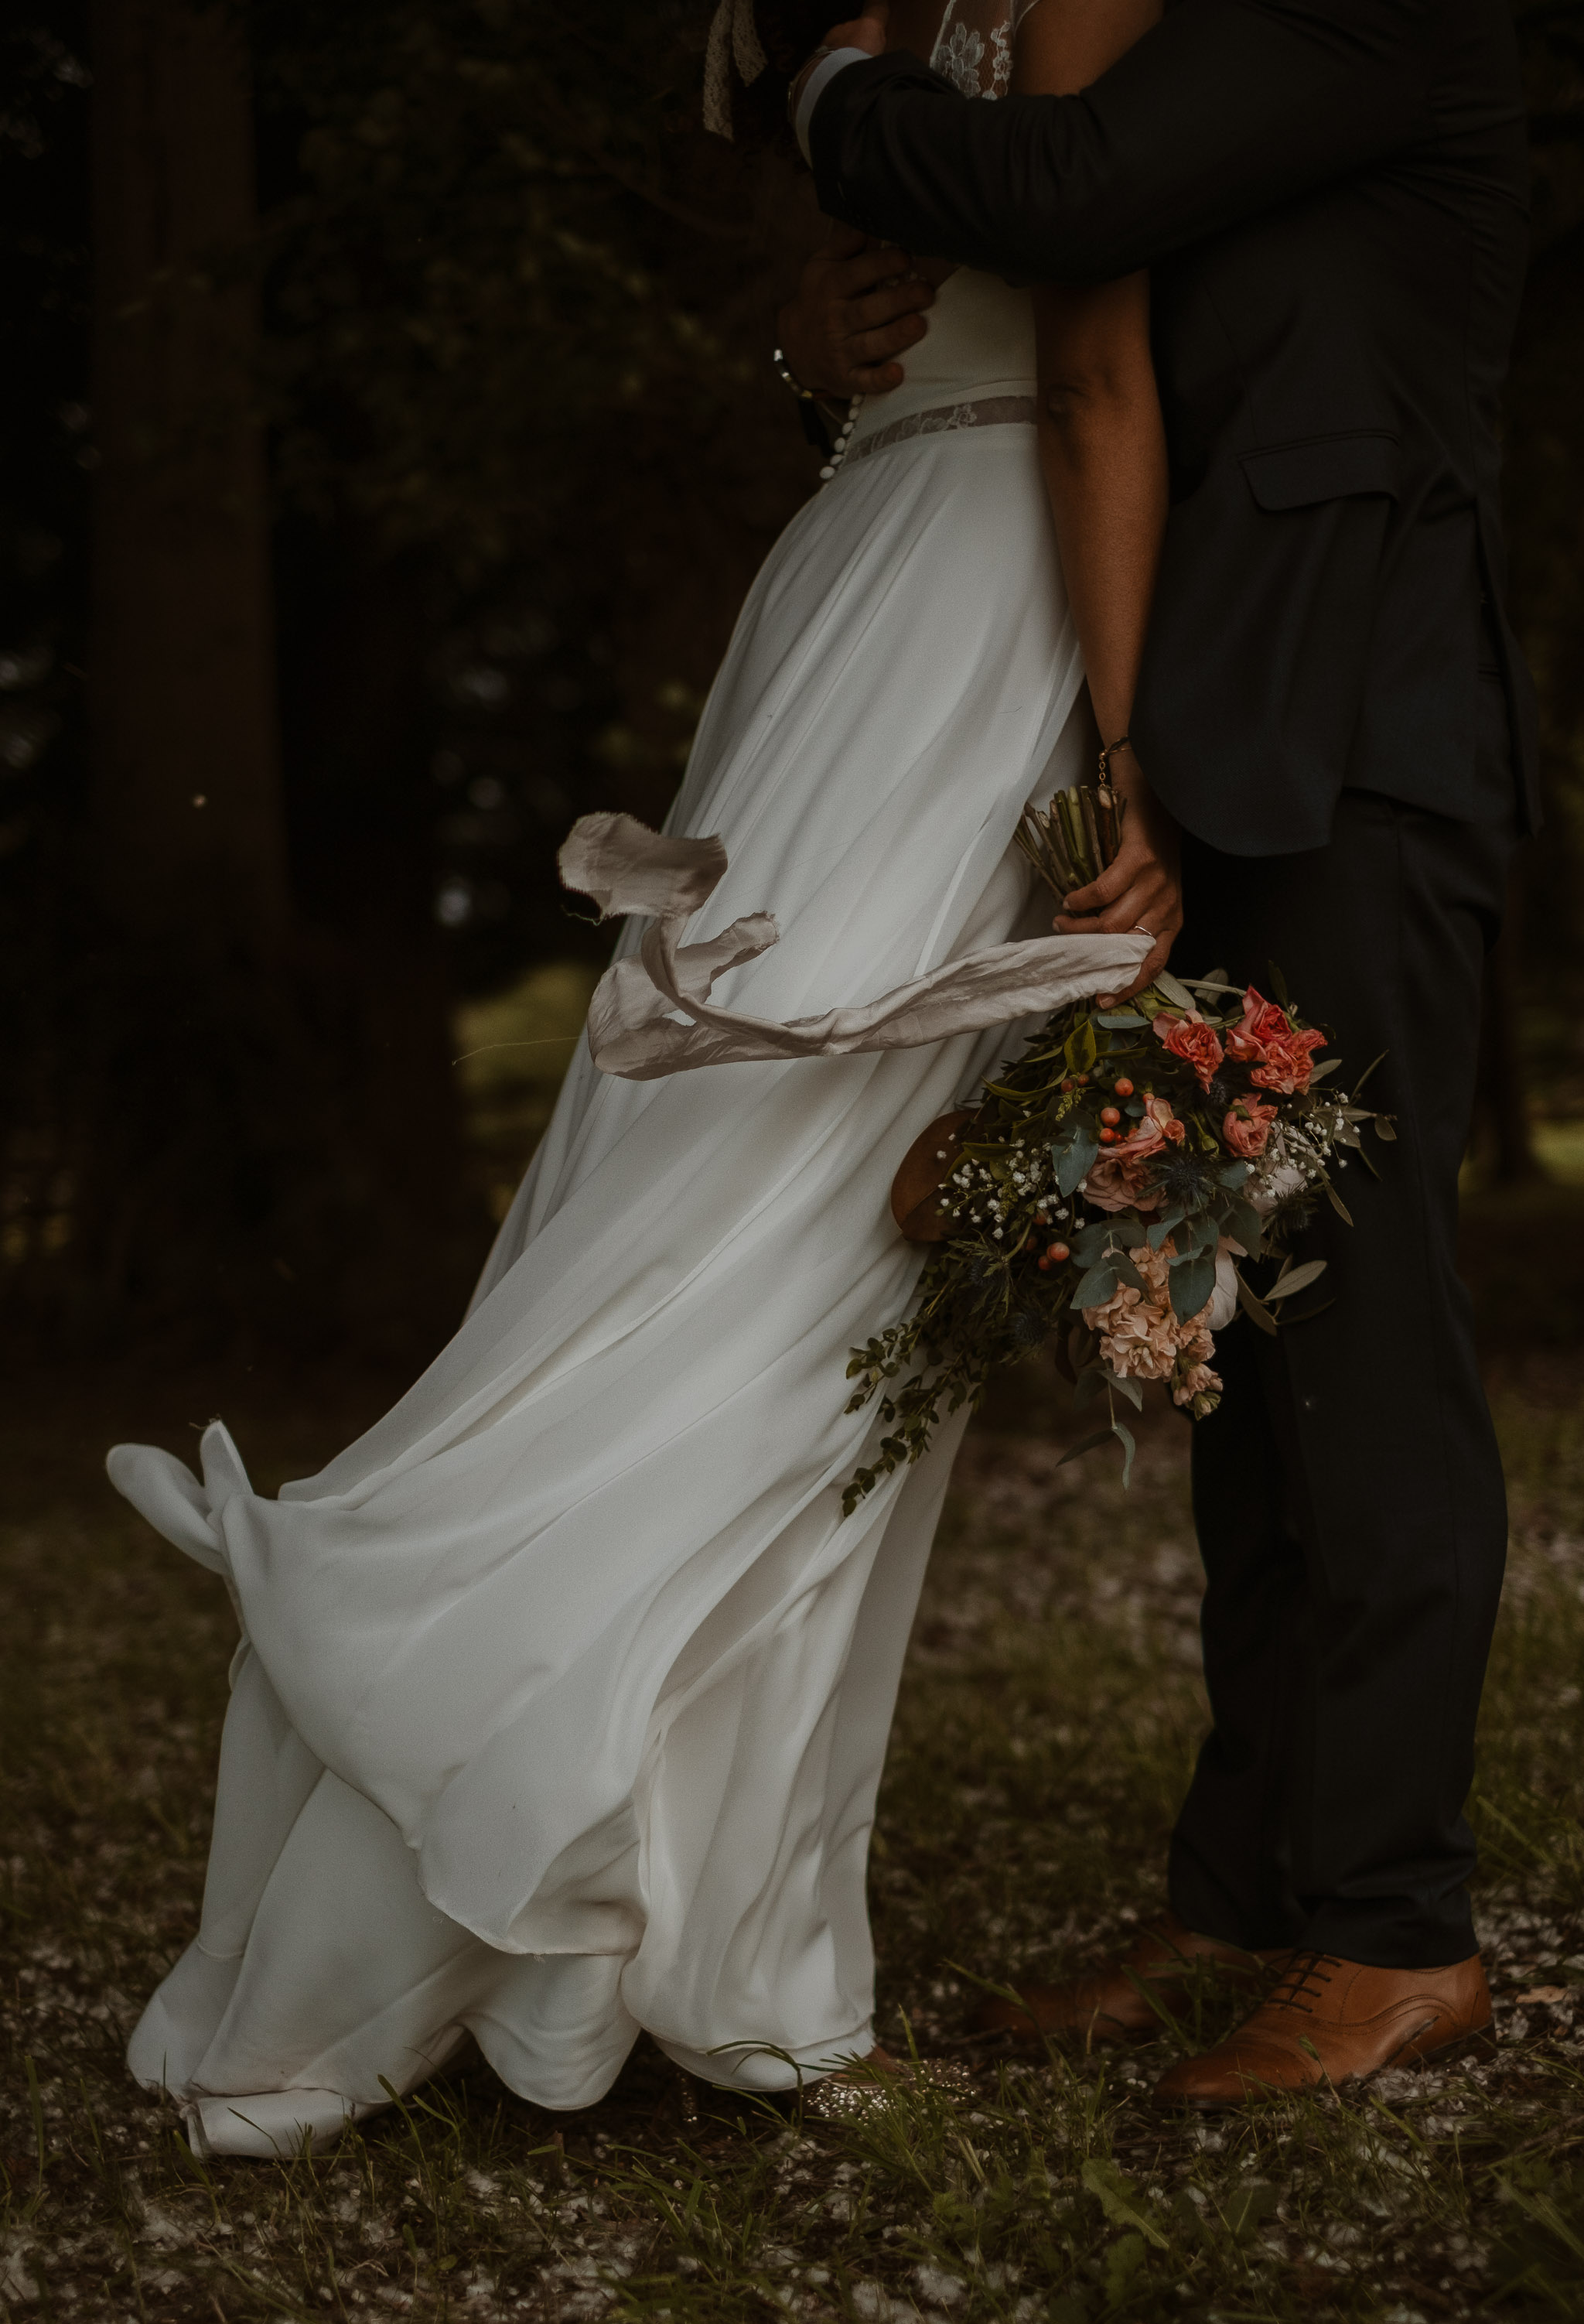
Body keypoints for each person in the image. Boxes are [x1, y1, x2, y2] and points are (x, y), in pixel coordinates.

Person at [106, 0, 1173, 2157]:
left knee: (768, 1227)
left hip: (893, 592)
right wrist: (1140, 757)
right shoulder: (991, 13)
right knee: (784, 1232)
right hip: (969, 599)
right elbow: (1092, 365)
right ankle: (594, 1835)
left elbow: (996, 330)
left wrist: (831, 355)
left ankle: (676, 1931)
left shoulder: (897, 25)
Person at [787, 0, 1540, 2101]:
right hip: (1236, 748)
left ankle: (1396, 1934)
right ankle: (1242, 1896)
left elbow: (1069, 185)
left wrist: (828, 91)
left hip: (1365, 745)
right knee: (1252, 1342)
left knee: (1369, 1340)